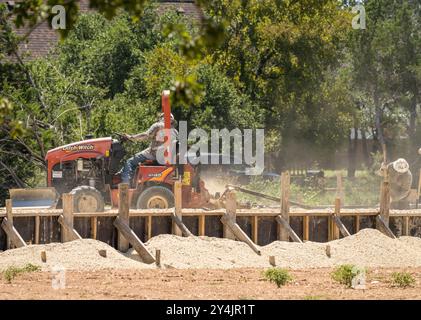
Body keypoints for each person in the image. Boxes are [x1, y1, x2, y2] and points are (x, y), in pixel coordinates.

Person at [120, 113, 177, 184]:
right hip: (166, 157)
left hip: (153, 154)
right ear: (172, 120)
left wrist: (131, 137)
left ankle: (125, 185)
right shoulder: (175, 131)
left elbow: (146, 135)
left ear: (161, 118)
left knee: (130, 162)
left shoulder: (158, 125)